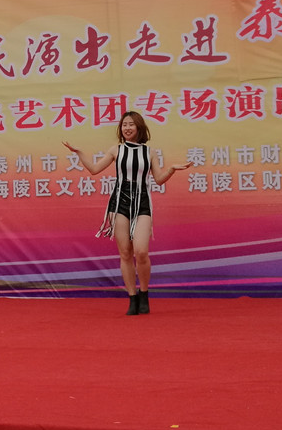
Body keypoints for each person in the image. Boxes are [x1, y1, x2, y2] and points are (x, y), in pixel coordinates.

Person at [63, 111, 190, 315]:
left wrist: (172, 169)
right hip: (119, 203)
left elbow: (158, 179)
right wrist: (79, 153)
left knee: (141, 251)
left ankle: (144, 293)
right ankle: (132, 297)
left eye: (131, 124)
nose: (127, 128)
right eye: (124, 125)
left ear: (139, 127)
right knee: (125, 252)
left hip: (142, 203)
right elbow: (94, 169)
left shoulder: (149, 152)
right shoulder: (116, 150)